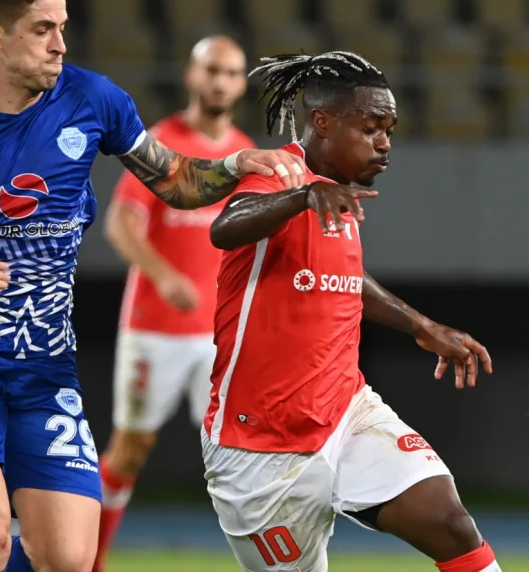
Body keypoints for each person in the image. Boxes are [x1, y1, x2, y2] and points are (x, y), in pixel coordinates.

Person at [0, 0, 303, 572]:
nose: (60, 44)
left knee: (69, 560)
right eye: (42, 29)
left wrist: (235, 167)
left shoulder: (94, 100)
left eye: (63, 26)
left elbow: (175, 180)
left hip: (45, 365)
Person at [200, 51, 500, 572]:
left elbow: (343, 281)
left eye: (389, 129)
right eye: (371, 127)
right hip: (261, 444)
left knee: (450, 523)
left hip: (345, 411)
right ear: (323, 121)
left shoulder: (338, 192)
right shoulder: (283, 175)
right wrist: (303, 196)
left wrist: (422, 326)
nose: (385, 142)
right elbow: (226, 226)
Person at [93, 34, 254, 570]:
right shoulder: (161, 143)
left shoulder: (244, 156)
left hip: (218, 337)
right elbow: (119, 223)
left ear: (241, 84)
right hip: (155, 329)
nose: (220, 81)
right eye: (212, 70)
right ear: (191, 76)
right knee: (129, 451)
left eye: (231, 72)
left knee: (241, 458)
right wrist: (163, 276)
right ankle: (85, 560)